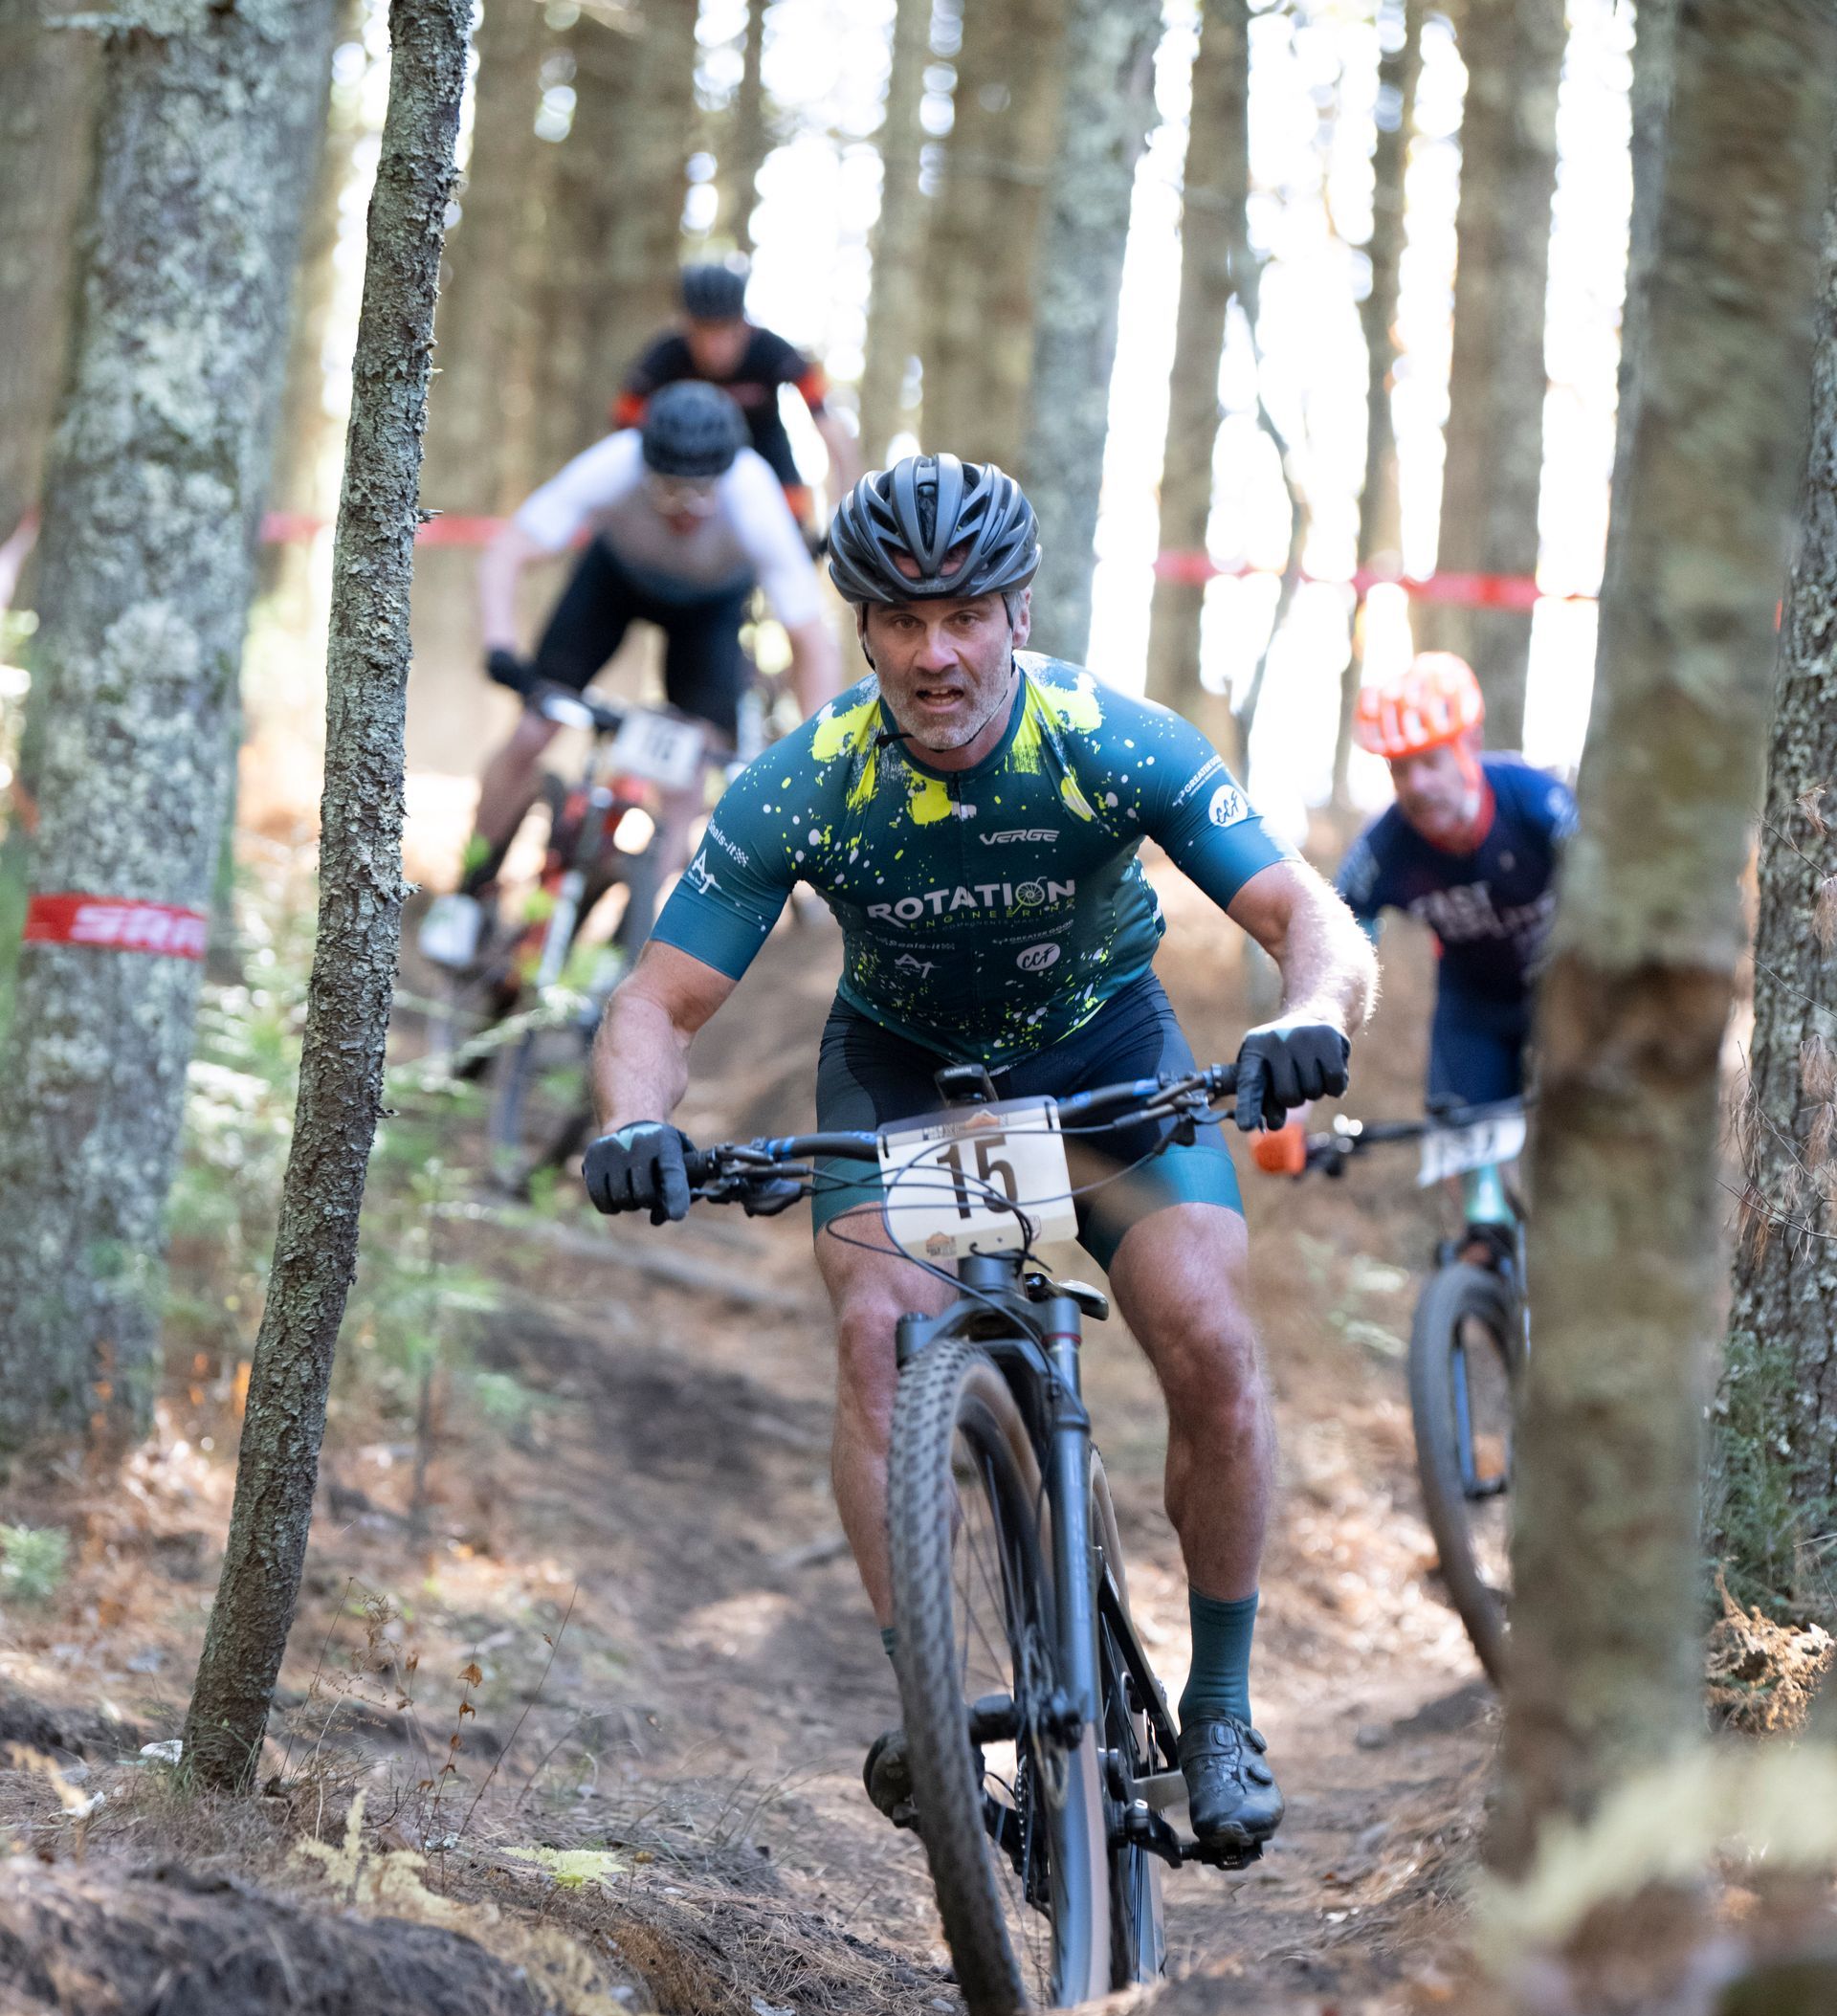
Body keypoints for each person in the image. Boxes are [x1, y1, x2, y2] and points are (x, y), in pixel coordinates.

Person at [576, 454, 1376, 1864]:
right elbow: (658, 1003)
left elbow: (1305, 913)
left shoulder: (1106, 740)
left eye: (963, 617)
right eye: (899, 620)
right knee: (882, 1335)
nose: (934, 654)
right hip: (905, 1081)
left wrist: (1308, 1015)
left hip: (1106, 1059)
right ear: (864, 629)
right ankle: (934, 1709)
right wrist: (634, 1123)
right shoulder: (808, 782)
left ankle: (1225, 1709)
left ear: (1015, 612)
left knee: (1206, 1331)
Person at [443, 380, 841, 938]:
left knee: (688, 773)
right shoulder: (615, 464)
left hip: (709, 608)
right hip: (614, 583)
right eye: (667, 491)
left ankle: (637, 939)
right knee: (535, 729)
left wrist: (822, 743)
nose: (683, 510)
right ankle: (468, 888)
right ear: (643, 467)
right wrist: (501, 648)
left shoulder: (753, 496)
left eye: (700, 494)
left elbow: (809, 637)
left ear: (725, 477)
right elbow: (508, 552)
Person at [1339, 652, 1575, 1111]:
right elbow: (1334, 959)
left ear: (1470, 745)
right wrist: (1293, 1101)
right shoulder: (1384, 847)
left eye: (1430, 761)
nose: (1416, 785)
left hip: (1562, 990)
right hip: (1473, 1008)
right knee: (1461, 1142)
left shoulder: (1533, 799)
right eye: (1399, 769)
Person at [614, 259, 860, 524]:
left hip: (768, 455)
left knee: (793, 525)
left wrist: (848, 506)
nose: (713, 346)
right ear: (686, 327)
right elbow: (623, 435)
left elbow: (829, 424)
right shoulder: (663, 357)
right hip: (691, 470)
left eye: (724, 330)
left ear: (744, 325)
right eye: (703, 331)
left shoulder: (774, 352)